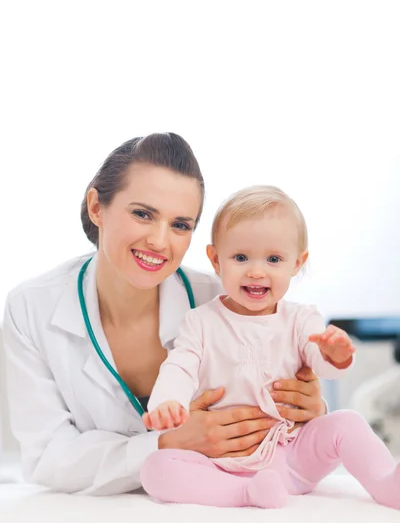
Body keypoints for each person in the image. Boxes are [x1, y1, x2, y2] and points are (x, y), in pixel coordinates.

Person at [3, 134, 325, 496]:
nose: (159, 241)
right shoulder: (31, 307)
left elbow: (288, 386)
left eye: (180, 225)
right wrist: (165, 443)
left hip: (219, 511)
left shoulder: (229, 298)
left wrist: (306, 406)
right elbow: (48, 458)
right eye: (142, 214)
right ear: (96, 207)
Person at [141, 185, 400, 510]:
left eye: (274, 259)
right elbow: (179, 367)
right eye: (240, 257)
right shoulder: (200, 322)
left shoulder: (301, 318)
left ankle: (386, 482)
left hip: (292, 454)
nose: (256, 271)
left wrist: (335, 355)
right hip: (224, 462)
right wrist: (168, 403)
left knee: (347, 421)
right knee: (155, 469)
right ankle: (246, 495)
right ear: (216, 259)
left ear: (297, 262)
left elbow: (319, 361)